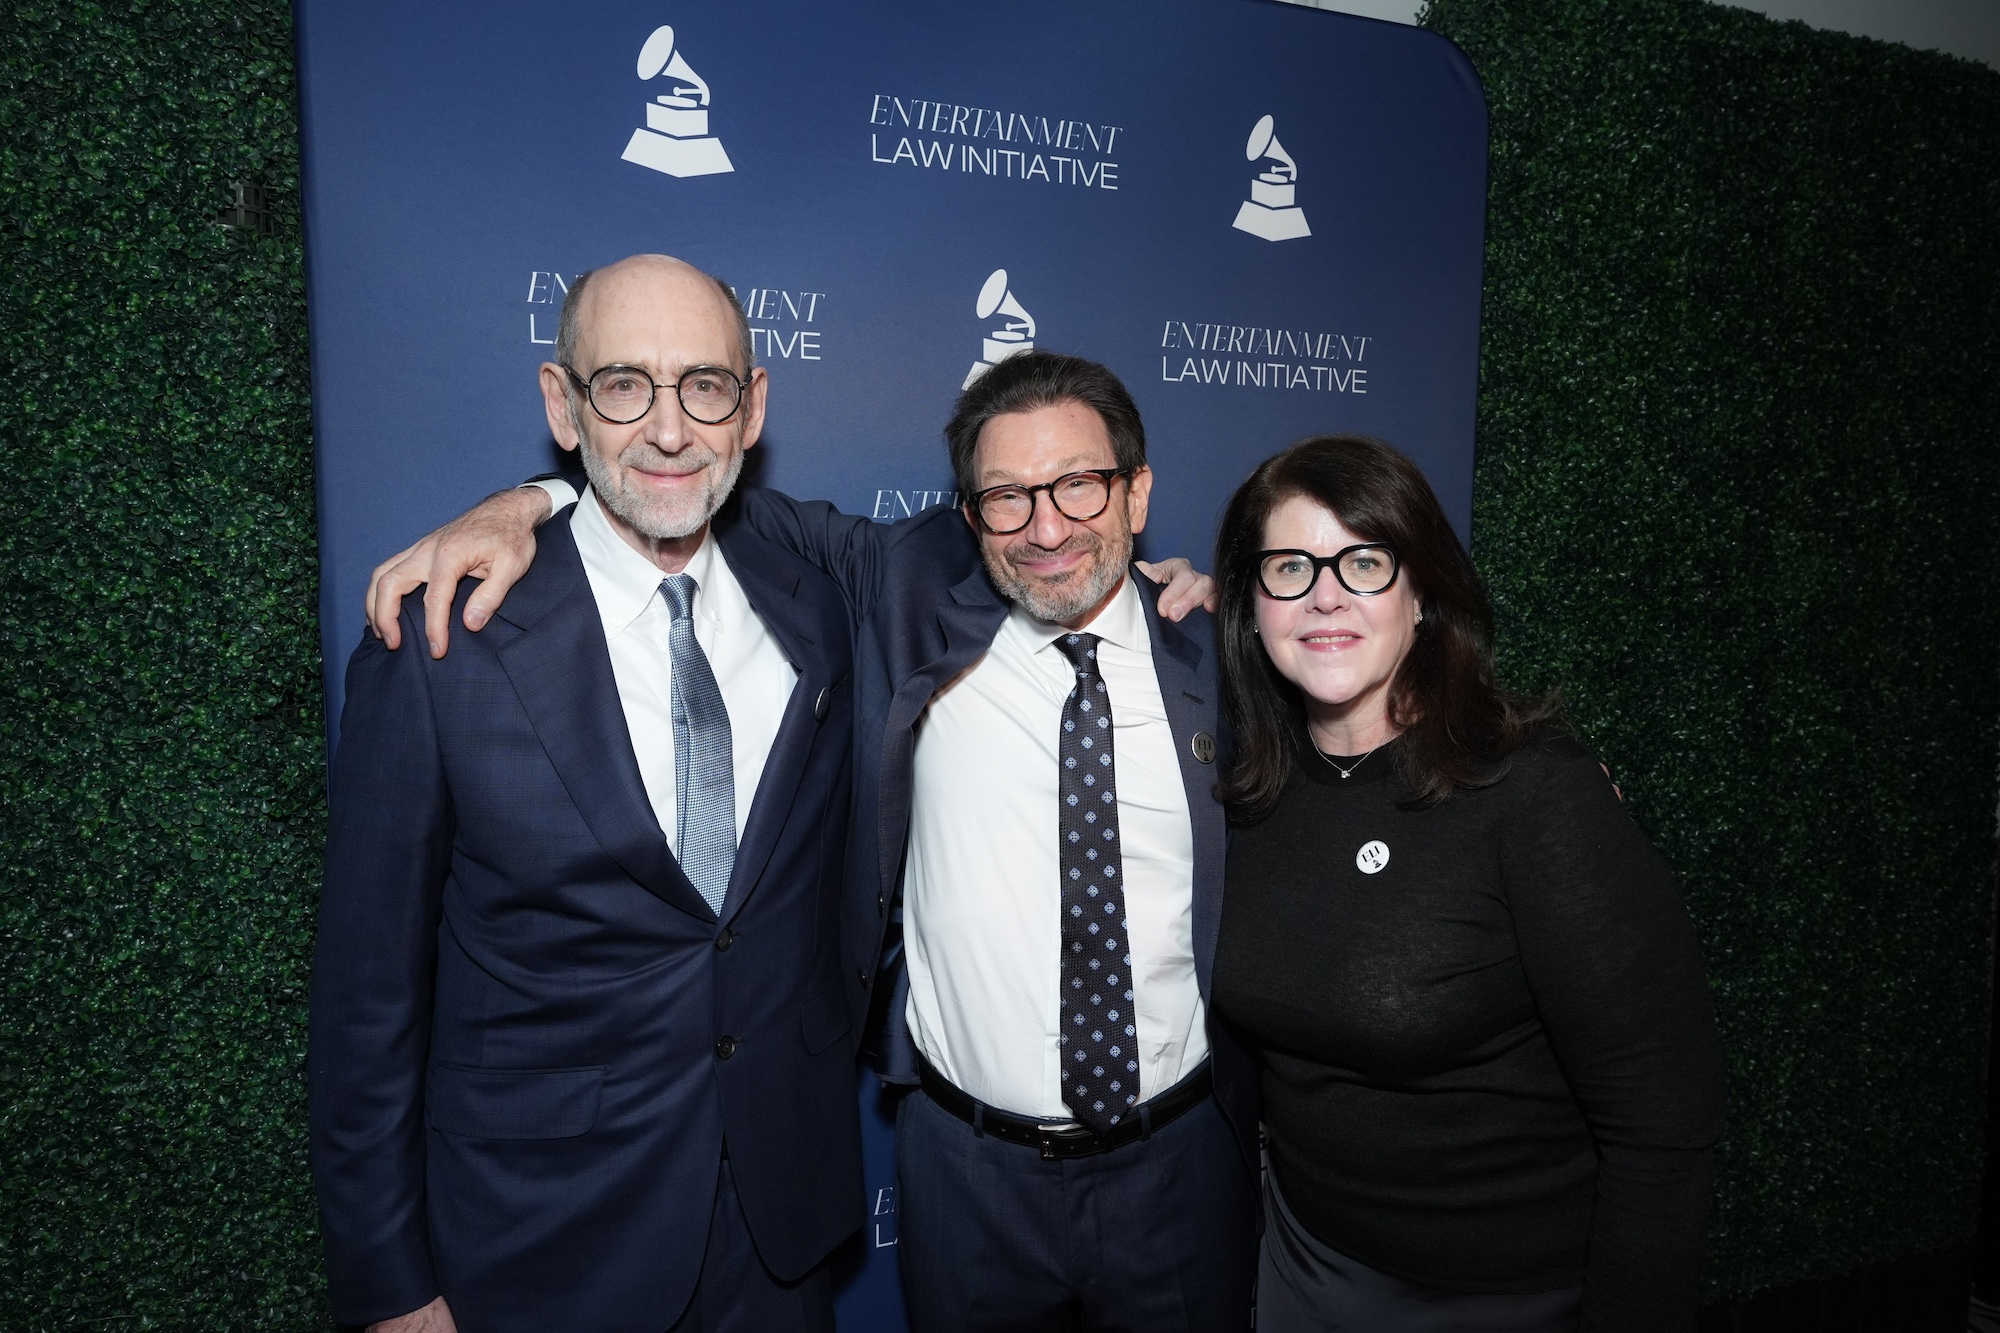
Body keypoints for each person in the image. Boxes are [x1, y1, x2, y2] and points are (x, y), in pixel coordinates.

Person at [370, 348, 1260, 1331]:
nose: (1046, 527)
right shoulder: (908, 590)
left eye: (1080, 485)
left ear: (1137, 493)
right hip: (965, 1173)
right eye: (1007, 496)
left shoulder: (1223, 659)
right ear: (968, 517)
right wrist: (529, 501)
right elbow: (679, 485)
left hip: (1181, 1164)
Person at [310, 255, 868, 1333]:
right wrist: (390, 1285)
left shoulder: (815, 605)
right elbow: (365, 1000)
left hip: (778, 1235)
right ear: (562, 406)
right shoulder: (439, 644)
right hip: (541, 1243)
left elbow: (1013, 553)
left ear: (752, 407)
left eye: (704, 385)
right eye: (623, 385)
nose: (669, 428)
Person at [1205, 435, 1729, 1333]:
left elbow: (1665, 1120)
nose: (1325, 594)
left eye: (1364, 561)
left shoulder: (1534, 791)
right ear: (1251, 605)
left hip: (1507, 1295)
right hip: (1302, 1270)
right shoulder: (1241, 791)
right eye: (1289, 567)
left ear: (1422, 594)